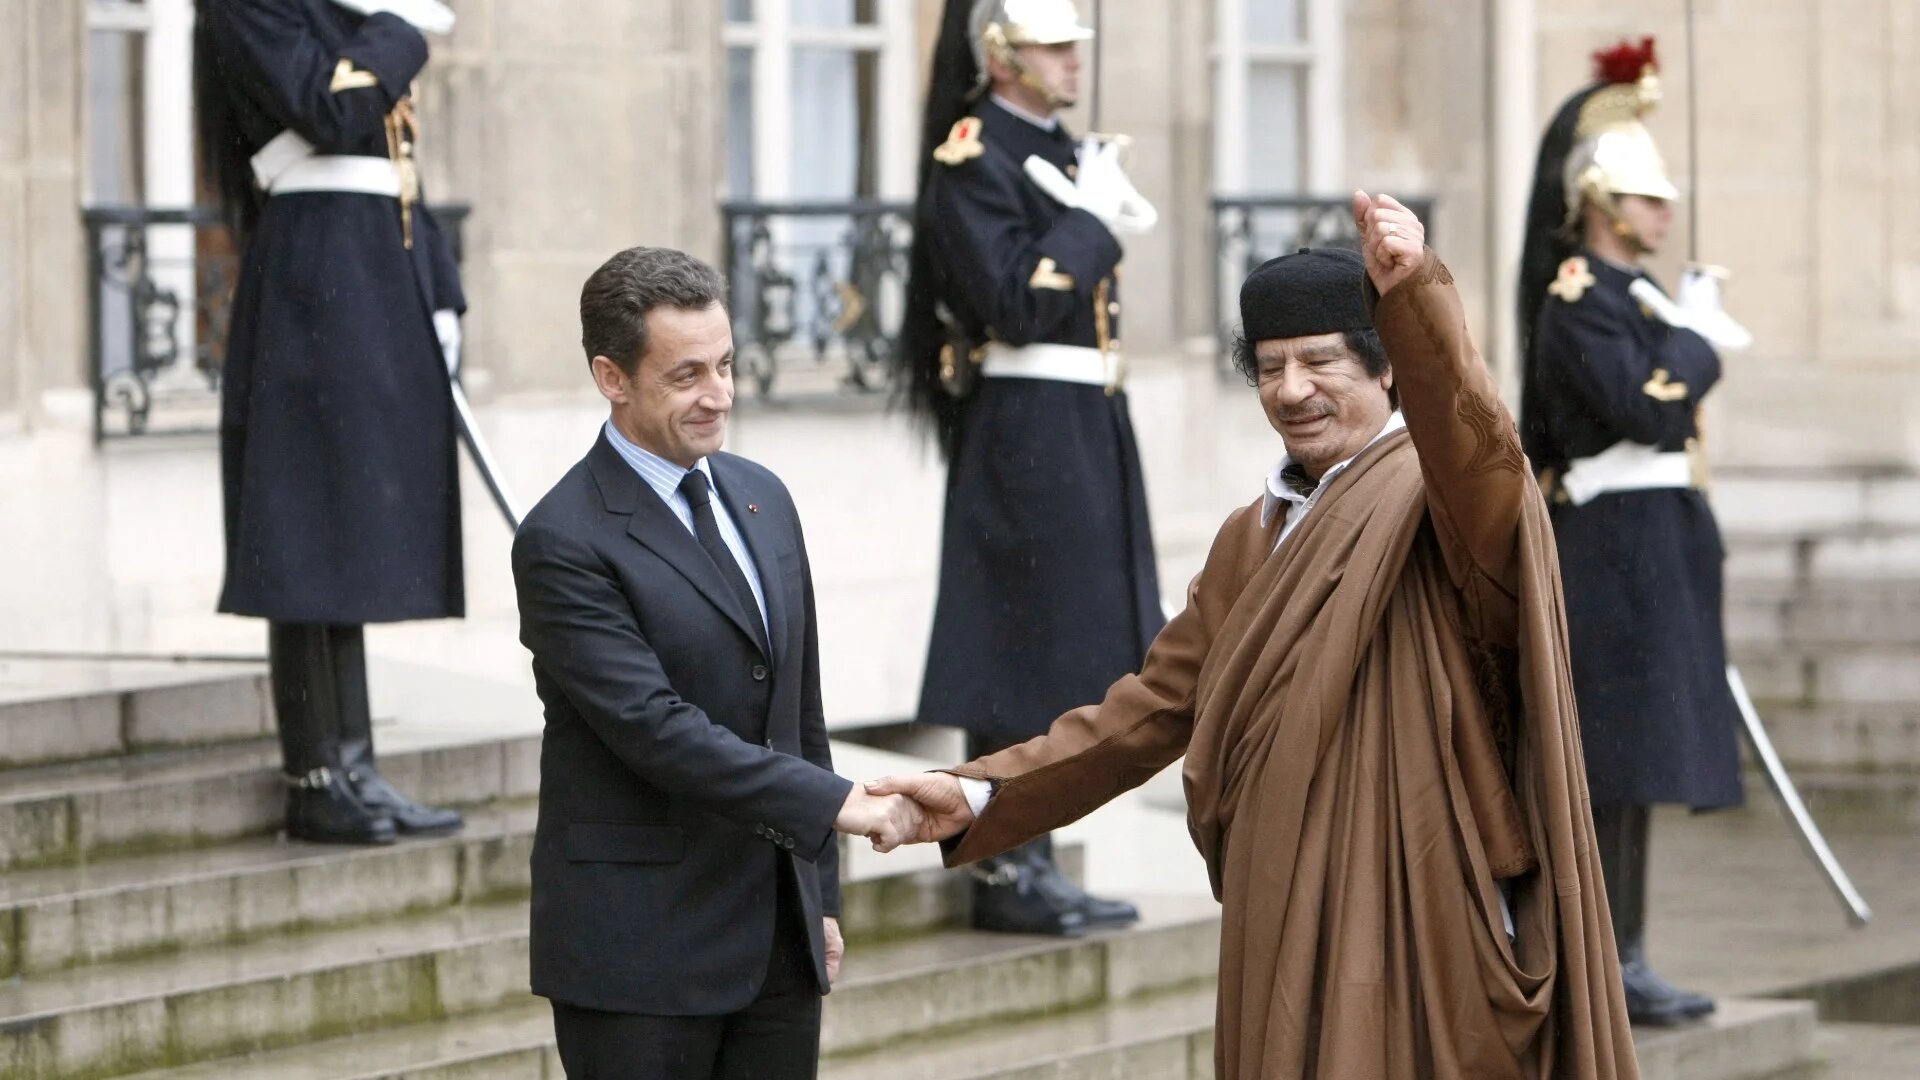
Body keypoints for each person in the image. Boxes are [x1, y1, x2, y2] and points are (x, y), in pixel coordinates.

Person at [870, 196, 1641, 1079]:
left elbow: (1478, 446)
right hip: (1283, 916)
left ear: (1389, 368)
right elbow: (1148, 711)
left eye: (1321, 361)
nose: (1292, 390)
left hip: (1423, 916)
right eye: (1270, 367)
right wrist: (977, 794)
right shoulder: (1252, 533)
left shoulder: (1444, 501)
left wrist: (1417, 298)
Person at [511, 247, 922, 1080]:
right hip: (639, 956)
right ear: (612, 378)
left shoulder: (763, 496)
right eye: (687, 374)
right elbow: (657, 731)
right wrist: (841, 805)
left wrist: (819, 899)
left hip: (776, 945)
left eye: (726, 364)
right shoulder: (562, 540)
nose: (720, 394)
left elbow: (799, 714)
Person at [894, 0, 1161, 937]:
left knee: (1068, 644)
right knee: (1016, 648)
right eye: (1052, 45)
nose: (1073, 59)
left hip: (1079, 418)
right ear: (1002, 55)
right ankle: (1003, 867)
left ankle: (1035, 851)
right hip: (1025, 425)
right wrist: (1087, 221)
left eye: (1073, 43)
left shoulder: (1055, 148)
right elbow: (1014, 303)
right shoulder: (975, 155)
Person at [1517, 37, 1752, 1027]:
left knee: (1641, 762)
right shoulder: (1581, 300)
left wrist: (1682, 334)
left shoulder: (1637, 298)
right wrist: (1698, 343)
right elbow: (1645, 411)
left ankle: (1628, 954)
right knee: (1612, 764)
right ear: (1604, 204)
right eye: (1648, 201)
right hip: (1611, 550)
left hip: (1655, 546)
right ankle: (1603, 960)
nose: (1664, 216)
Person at [195, 0, 467, 844]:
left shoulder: (346, 14)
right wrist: (403, 28)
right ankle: (315, 778)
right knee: (306, 535)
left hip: (372, 273)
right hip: (311, 282)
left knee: (344, 533)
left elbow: (397, 162)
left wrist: (441, 287)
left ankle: (356, 766)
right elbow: (332, 109)